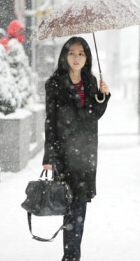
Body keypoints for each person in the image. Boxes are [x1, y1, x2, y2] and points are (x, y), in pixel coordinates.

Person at [42, 36, 110, 261]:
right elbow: (50, 120)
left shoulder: (91, 82)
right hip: (64, 154)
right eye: (72, 53)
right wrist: (49, 155)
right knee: (70, 208)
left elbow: (94, 116)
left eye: (81, 53)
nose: (77, 57)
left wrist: (103, 97)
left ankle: (71, 256)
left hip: (86, 154)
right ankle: (71, 257)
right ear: (65, 56)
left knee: (79, 209)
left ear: (87, 57)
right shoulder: (54, 84)